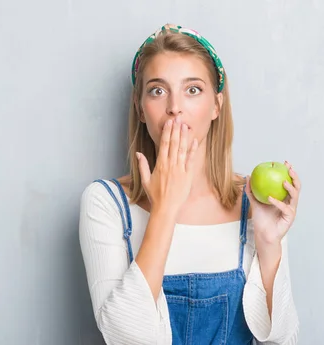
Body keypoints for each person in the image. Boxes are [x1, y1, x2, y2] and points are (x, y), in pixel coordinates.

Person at [79, 23, 301, 345]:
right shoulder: (105, 203)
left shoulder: (253, 203)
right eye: (157, 90)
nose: (174, 106)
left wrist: (269, 244)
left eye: (193, 89)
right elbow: (127, 338)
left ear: (216, 106)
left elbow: (283, 341)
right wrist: (165, 208)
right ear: (141, 109)